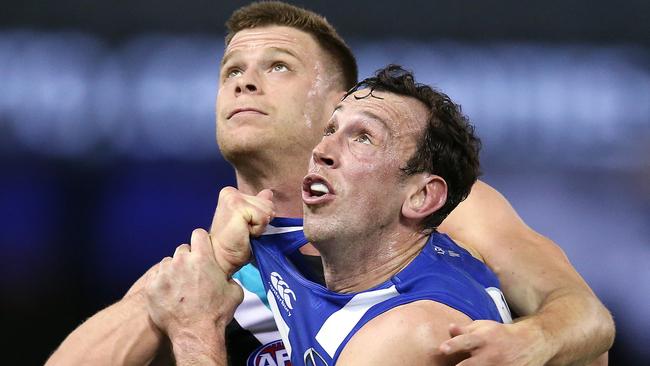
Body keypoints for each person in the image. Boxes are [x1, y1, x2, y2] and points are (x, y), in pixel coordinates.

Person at [45, 2, 613, 366]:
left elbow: (585, 318)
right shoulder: (213, 261)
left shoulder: (451, 215)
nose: (244, 82)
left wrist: (531, 342)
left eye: (278, 67)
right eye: (231, 72)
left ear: (335, 106)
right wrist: (213, 268)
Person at [146, 65, 513, 365]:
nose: (322, 149)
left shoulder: (412, 331)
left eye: (363, 137)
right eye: (330, 129)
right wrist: (218, 256)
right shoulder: (277, 240)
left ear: (420, 197)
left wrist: (196, 331)